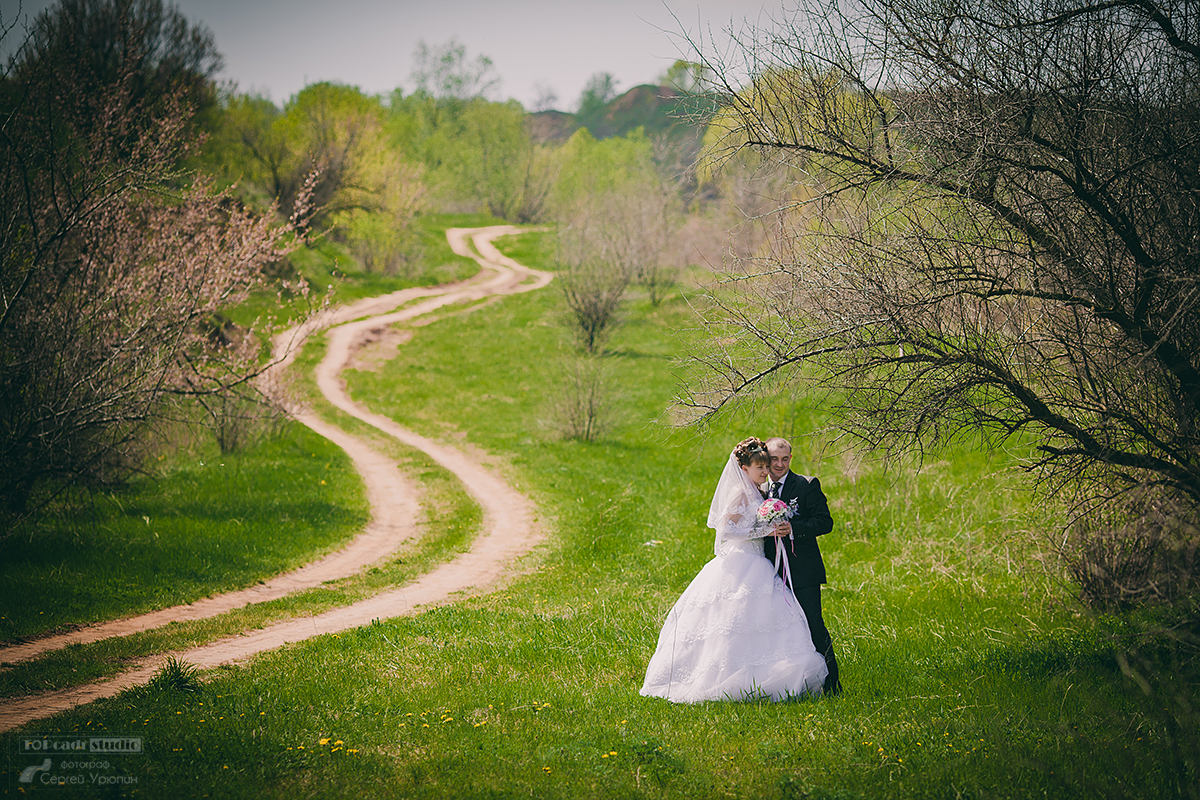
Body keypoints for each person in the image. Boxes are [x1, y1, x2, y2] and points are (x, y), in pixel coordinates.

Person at [640, 437, 828, 703]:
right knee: (734, 620)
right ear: (745, 468)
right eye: (761, 466)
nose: (766, 471)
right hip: (742, 563)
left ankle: (771, 676)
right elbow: (726, 530)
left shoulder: (761, 492)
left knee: (766, 621)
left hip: (761, 564)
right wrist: (765, 529)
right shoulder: (740, 493)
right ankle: (730, 679)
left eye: (768, 465)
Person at [761, 437, 842, 695]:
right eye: (774, 459)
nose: (779, 464)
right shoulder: (759, 488)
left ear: (790, 459)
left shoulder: (806, 485)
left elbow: (824, 522)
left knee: (813, 624)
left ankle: (832, 683)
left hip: (803, 569)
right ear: (766, 458)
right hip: (768, 571)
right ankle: (791, 683)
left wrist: (794, 529)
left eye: (785, 459)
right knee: (779, 627)